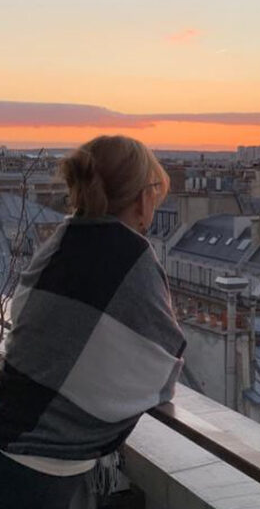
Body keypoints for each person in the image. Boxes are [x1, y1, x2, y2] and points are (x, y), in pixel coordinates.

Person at [0, 135, 186, 509]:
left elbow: (28, 318)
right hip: (42, 460)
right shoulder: (131, 256)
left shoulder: (65, 237)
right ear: (142, 197)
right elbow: (163, 359)